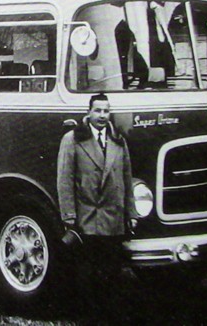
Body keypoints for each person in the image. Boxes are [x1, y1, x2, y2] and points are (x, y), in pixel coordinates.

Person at [57, 93, 137, 307]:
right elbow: (65, 179)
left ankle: (107, 314)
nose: (102, 115)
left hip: (113, 218)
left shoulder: (118, 140)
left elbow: (127, 179)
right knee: (88, 273)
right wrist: (69, 216)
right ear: (89, 112)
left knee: (111, 271)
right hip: (88, 217)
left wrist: (131, 212)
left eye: (106, 111)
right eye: (98, 110)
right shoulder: (73, 139)